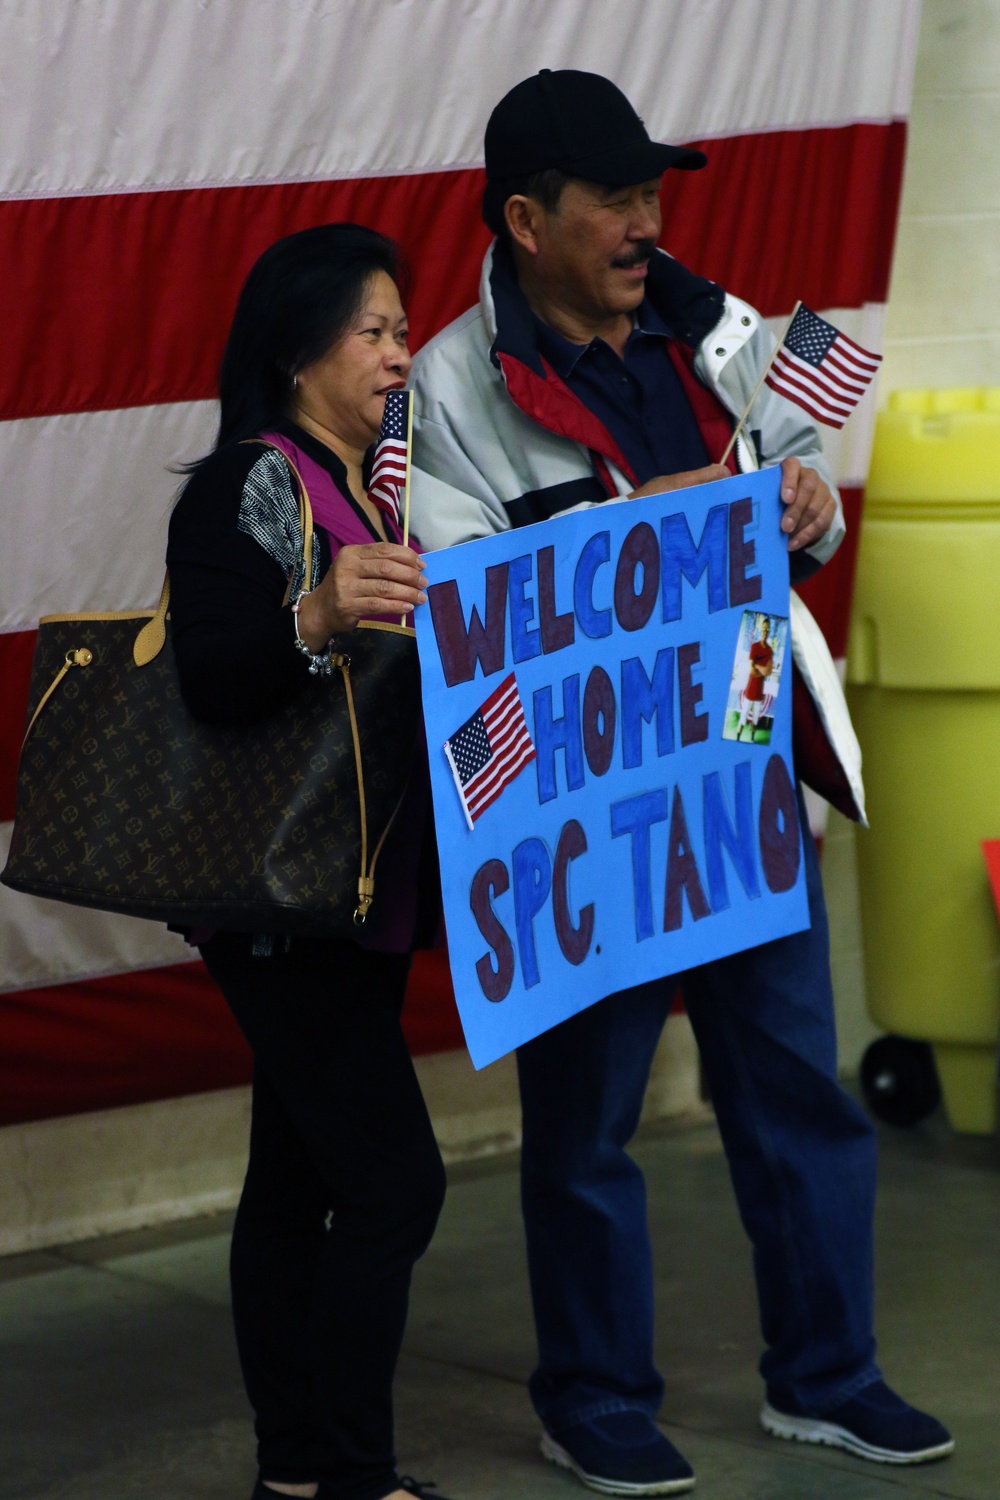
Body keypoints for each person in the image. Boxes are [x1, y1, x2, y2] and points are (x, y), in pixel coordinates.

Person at [408, 70, 953, 1497]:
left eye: (655, 194)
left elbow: (797, 488)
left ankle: (828, 1379)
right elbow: (449, 605)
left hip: (745, 762)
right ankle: (591, 1398)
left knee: (798, 1095)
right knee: (583, 1124)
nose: (648, 222)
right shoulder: (450, 389)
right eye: (615, 200)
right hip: (586, 811)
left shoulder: (724, 335)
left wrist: (811, 505)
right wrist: (609, 544)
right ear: (526, 220)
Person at [167, 224, 452, 1500]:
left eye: (403, 330)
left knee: (295, 1179)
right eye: (374, 331)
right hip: (283, 900)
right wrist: (320, 611)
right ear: (297, 351)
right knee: (394, 1181)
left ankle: (295, 1472)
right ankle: (355, 1476)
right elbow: (215, 678)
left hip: (356, 894)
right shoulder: (249, 485)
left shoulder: (383, 491)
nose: (400, 354)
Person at [736, 615, 774, 741]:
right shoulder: (754, 647)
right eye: (764, 628)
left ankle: (752, 738)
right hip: (750, 690)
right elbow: (752, 671)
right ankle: (738, 737)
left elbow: (768, 672)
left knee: (755, 719)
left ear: (769, 631)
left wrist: (757, 665)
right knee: (743, 716)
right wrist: (760, 668)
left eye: (767, 629)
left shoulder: (769, 651)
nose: (765, 631)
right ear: (760, 629)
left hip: (759, 693)